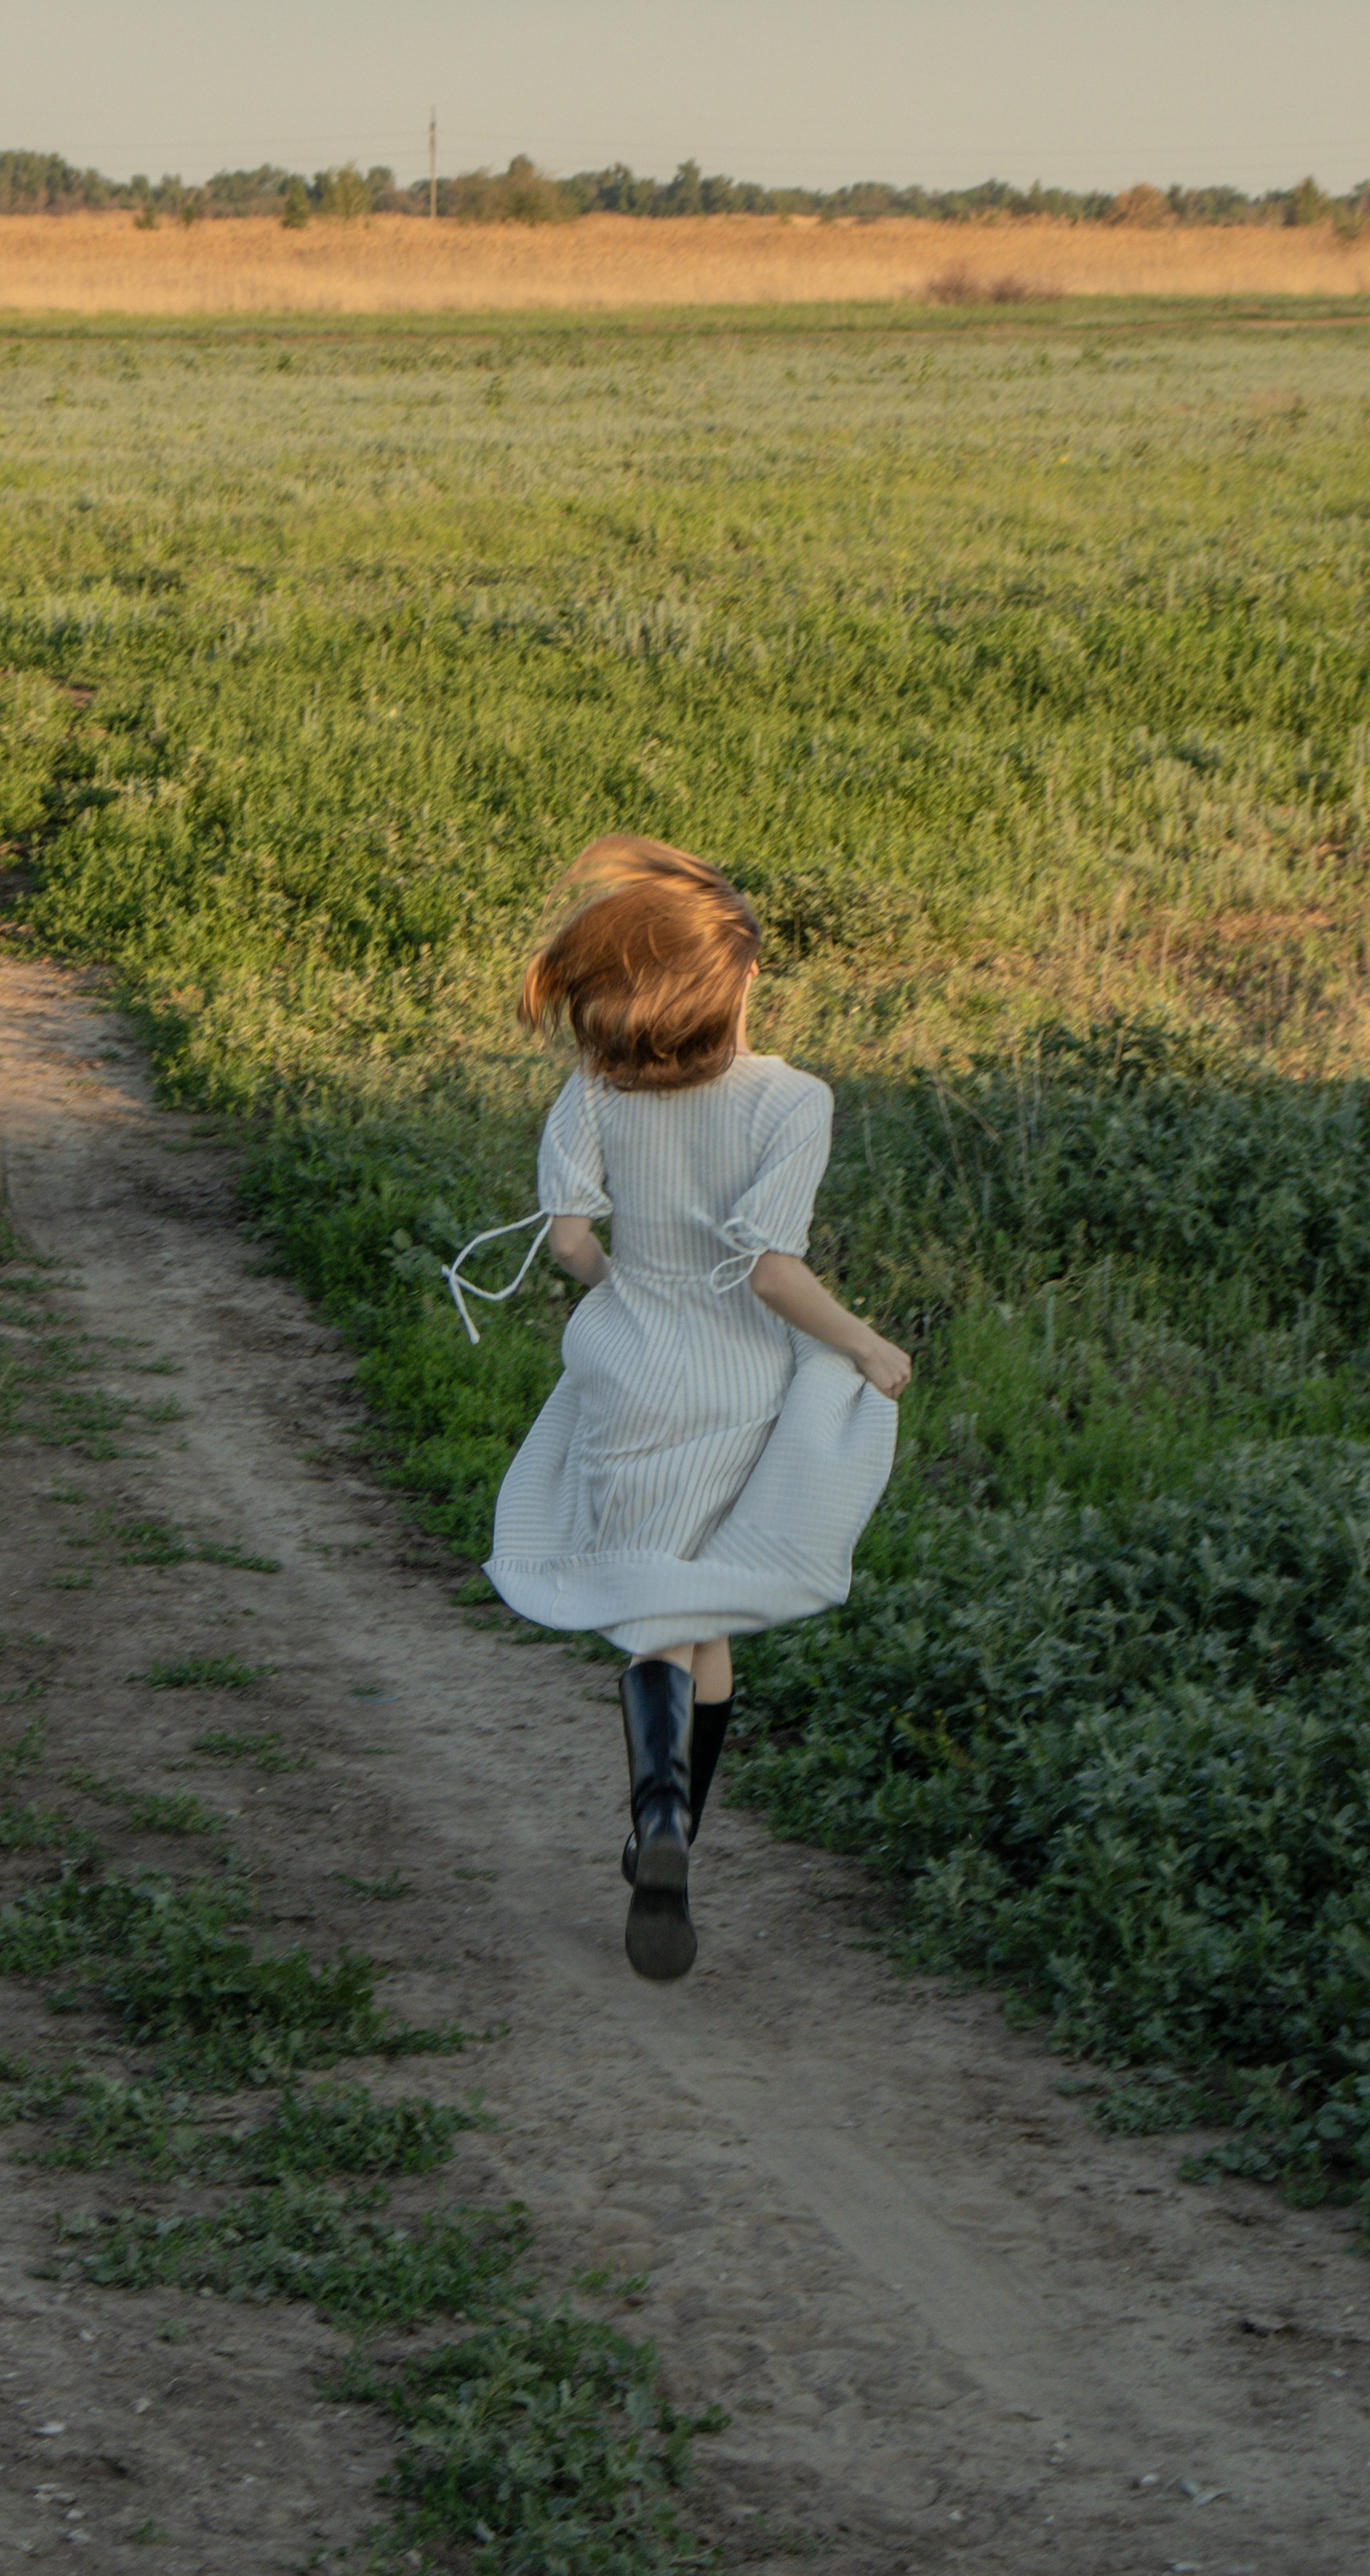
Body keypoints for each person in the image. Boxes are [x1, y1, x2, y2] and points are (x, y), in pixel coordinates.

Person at [448, 836, 911, 1984]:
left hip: (630, 1370)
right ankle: (670, 1831)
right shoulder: (792, 1101)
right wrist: (868, 1345)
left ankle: (659, 1824)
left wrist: (629, 1303)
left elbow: (567, 1241)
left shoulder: (594, 1089)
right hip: (739, 1379)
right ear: (737, 984)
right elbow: (772, 1274)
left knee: (666, 1614)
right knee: (696, 1615)